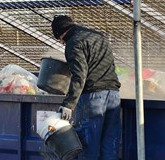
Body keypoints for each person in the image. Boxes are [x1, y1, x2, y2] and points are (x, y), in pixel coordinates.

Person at [51, 15, 121, 160]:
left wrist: (68, 104)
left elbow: (79, 76)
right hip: (114, 95)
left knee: (88, 145)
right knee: (110, 144)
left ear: (60, 35)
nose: (62, 43)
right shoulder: (99, 36)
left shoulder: (73, 42)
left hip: (93, 97)